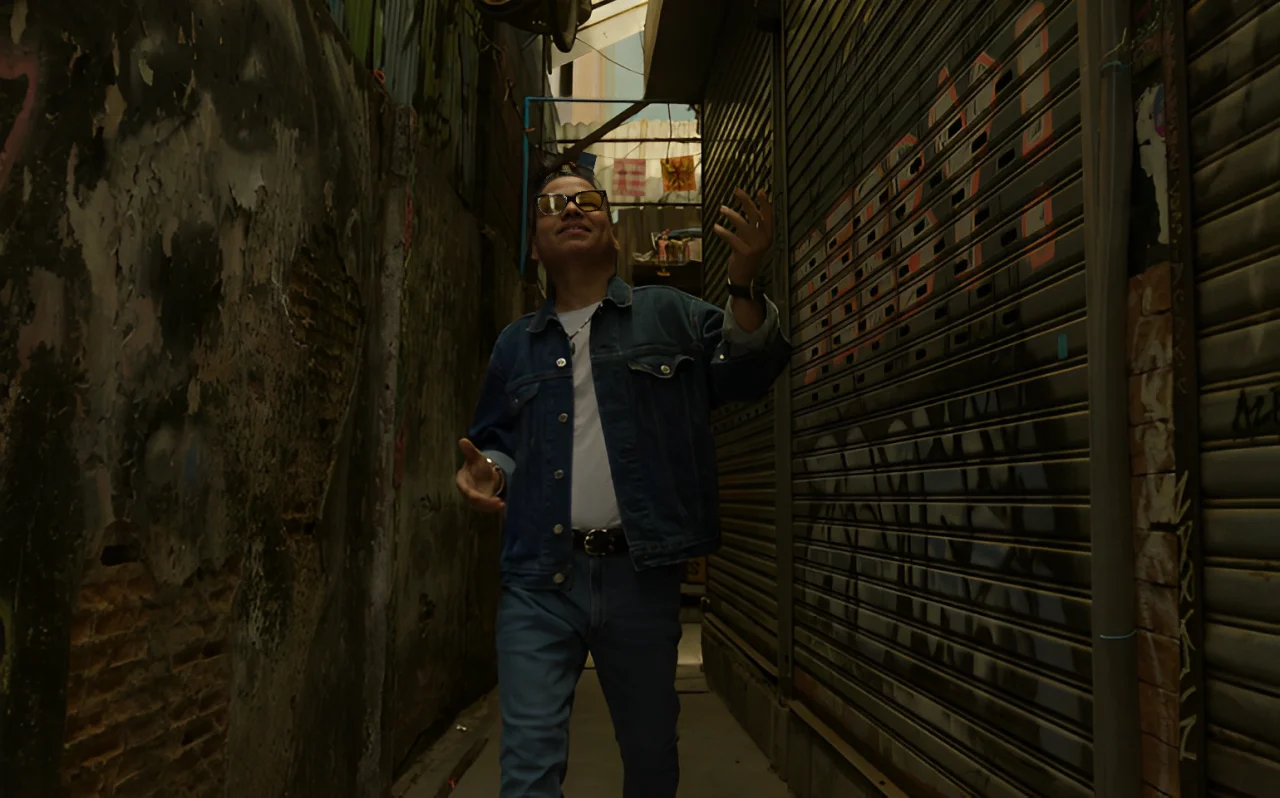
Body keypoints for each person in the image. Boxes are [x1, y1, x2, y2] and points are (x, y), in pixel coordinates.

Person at [454, 162, 791, 798]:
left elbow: (747, 372)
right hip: (538, 579)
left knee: (651, 757)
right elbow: (497, 443)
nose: (569, 209)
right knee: (526, 768)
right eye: (551, 206)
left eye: (586, 200)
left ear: (613, 231)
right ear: (535, 248)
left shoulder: (670, 315)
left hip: (640, 575)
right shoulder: (515, 347)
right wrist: (490, 472)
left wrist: (743, 282)